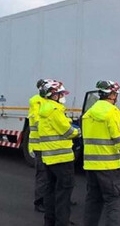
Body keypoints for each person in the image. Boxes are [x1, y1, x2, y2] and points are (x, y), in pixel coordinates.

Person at [81, 80, 120, 226]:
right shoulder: (111, 113)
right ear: (112, 94)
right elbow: (119, 138)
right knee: (115, 201)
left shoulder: (88, 114)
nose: (116, 96)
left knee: (93, 200)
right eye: (116, 93)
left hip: (91, 166)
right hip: (109, 168)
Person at [38, 80, 80, 226]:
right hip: (62, 159)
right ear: (54, 95)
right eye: (61, 94)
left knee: (50, 191)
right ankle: (63, 222)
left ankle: (49, 221)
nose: (63, 96)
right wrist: (78, 131)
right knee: (64, 193)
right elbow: (67, 131)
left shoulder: (45, 109)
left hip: (49, 158)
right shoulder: (55, 110)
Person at [28, 79, 48, 213]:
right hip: (39, 144)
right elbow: (37, 119)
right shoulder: (36, 100)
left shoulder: (47, 101)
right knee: (42, 175)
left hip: (48, 144)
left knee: (50, 175)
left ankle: (50, 199)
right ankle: (39, 201)